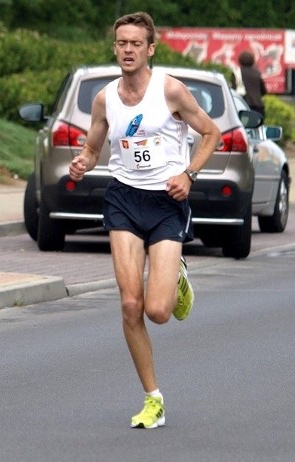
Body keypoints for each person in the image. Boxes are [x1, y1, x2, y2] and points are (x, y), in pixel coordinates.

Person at [68, 12, 220, 429]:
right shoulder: (105, 99)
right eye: (122, 43)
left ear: (150, 49)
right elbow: (93, 148)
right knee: (130, 303)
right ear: (115, 47)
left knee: (157, 311)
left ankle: (177, 279)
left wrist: (188, 174)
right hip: (122, 200)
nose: (128, 50)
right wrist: (82, 162)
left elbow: (211, 134)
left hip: (166, 201)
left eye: (136, 43)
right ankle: (153, 398)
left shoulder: (170, 90)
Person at [231, 50, 267, 118]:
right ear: (253, 61)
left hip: (242, 106)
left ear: (240, 60)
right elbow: (264, 91)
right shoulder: (257, 73)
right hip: (258, 107)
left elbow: (233, 91)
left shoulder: (237, 73)